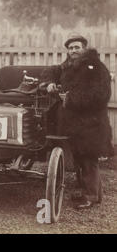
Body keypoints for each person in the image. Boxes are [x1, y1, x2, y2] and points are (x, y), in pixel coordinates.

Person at [41, 33, 114, 209]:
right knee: (79, 158)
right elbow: (52, 70)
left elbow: (101, 95)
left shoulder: (96, 67)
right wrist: (49, 82)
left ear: (84, 48)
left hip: (91, 123)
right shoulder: (68, 66)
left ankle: (91, 196)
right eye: (71, 48)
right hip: (74, 123)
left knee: (89, 159)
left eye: (77, 47)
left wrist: (71, 98)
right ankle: (87, 190)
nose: (73, 51)